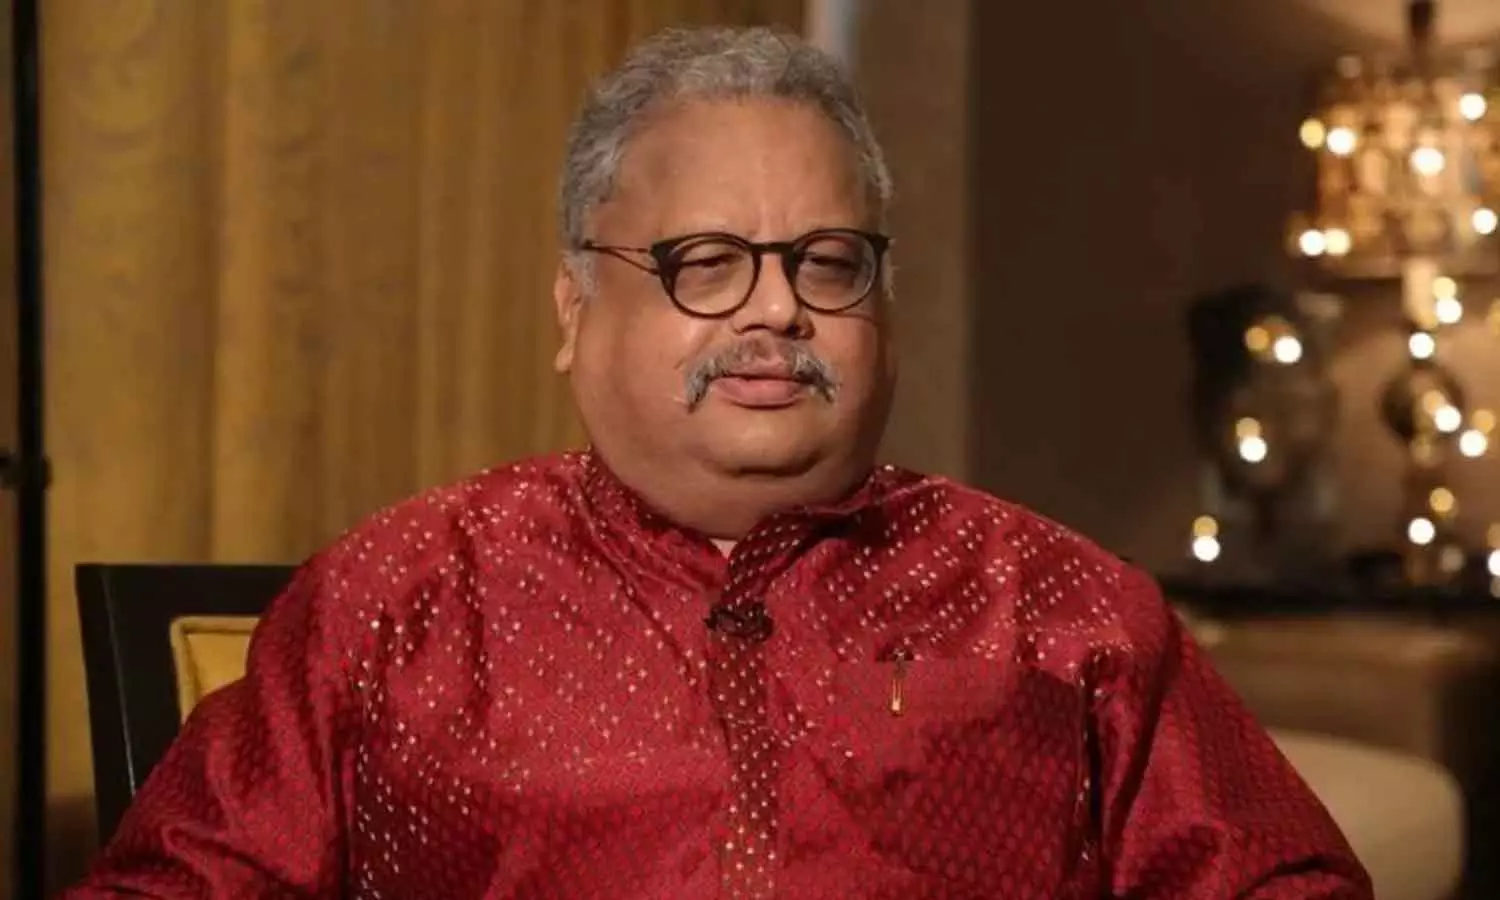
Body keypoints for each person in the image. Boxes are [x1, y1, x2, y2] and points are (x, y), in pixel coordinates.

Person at [64, 25, 1372, 900]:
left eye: (827, 263)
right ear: (574, 308)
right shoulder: (396, 598)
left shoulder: (1063, 611)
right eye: (706, 263)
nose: (776, 310)